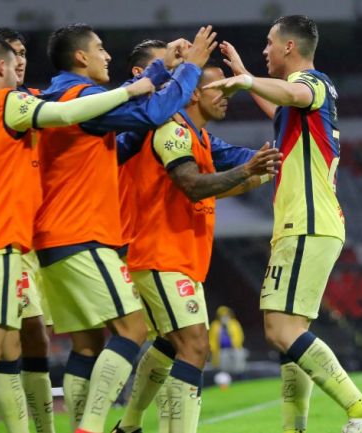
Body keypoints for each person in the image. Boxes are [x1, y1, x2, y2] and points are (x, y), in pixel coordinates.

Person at [0, 35, 153, 433]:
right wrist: (133, 89)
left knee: (5, 350)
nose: (19, 66)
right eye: (13, 59)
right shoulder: (8, 104)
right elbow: (69, 113)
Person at [205, 15, 362, 433]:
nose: (265, 50)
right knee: (292, 333)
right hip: (310, 223)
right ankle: (295, 428)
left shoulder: (315, 83)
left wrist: (248, 81)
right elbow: (283, 104)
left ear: (290, 47)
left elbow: (292, 91)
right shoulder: (300, 107)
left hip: (306, 223)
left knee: (280, 328)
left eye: (270, 43)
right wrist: (247, 77)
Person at [33, 24, 213, 433]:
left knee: (88, 344)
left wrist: (164, 64)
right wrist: (189, 69)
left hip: (53, 240)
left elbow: (129, 139)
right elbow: (150, 113)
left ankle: (84, 423)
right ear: (80, 57)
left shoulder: (62, 97)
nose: (106, 56)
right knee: (133, 328)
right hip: (79, 235)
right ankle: (91, 427)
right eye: (100, 49)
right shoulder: (82, 97)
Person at [113, 63, 280, 433]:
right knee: (195, 347)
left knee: (171, 346)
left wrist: (258, 174)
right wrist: (246, 169)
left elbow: (216, 186)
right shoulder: (173, 131)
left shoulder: (200, 139)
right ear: (193, 93)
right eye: (218, 90)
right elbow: (192, 185)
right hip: (161, 256)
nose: (226, 99)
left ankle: (128, 426)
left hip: (183, 260)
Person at [0, 27, 55, 433]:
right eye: (13, 53)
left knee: (34, 338)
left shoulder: (27, 103)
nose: (21, 60)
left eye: (24, 52)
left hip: (27, 240)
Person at [209, 306, 247, 376]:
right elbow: (212, 339)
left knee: (238, 365)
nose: (224, 317)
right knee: (223, 369)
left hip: (234, 349)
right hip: (221, 350)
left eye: (226, 315)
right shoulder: (215, 325)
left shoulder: (234, 323)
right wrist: (213, 350)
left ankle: (239, 378)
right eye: (222, 315)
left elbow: (240, 335)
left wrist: (236, 345)